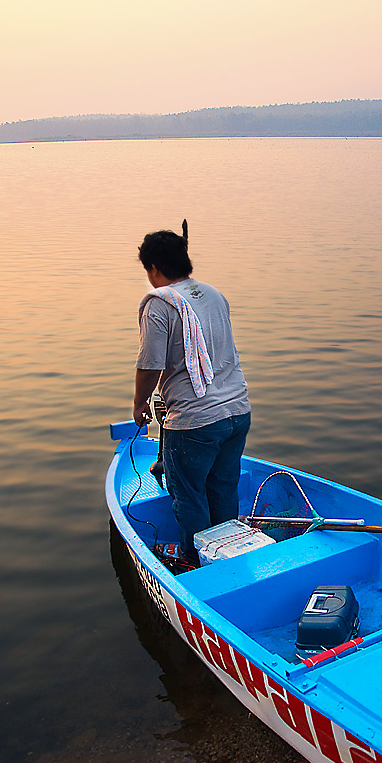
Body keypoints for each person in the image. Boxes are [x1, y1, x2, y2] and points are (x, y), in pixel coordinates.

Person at [133, 228, 251, 567]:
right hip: (238, 412)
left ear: (154, 268)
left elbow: (150, 364)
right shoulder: (214, 294)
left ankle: (194, 559)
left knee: (188, 495)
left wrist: (140, 403)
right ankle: (228, 554)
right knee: (224, 487)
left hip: (195, 422)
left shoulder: (159, 304)